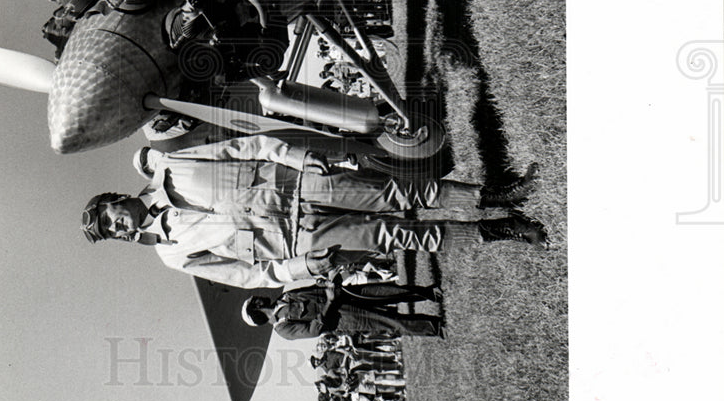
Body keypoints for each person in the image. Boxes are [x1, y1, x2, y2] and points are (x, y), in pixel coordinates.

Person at [81, 134, 546, 287]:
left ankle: (500, 195)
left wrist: (295, 156)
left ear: (115, 198)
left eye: (109, 218)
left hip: (301, 184)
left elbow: (247, 147)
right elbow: (249, 276)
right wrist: (300, 268)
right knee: (400, 237)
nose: (118, 227)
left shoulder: (170, 164)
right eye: (110, 234)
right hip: (299, 243)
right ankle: (503, 230)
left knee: (400, 195)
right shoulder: (172, 255)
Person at [240, 278, 444, 339]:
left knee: (386, 291)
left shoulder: (284, 297)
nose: (260, 297)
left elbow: (311, 289)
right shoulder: (283, 328)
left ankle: (429, 293)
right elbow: (314, 329)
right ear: (257, 310)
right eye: (256, 301)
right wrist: (329, 302)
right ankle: (435, 327)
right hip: (343, 318)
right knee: (390, 323)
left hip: (341, 295)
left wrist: (325, 284)